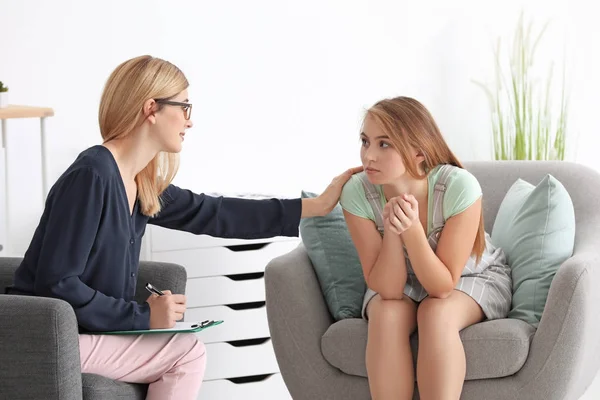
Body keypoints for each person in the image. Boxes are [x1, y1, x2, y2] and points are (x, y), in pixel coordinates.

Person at [5, 55, 361, 400]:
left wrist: (313, 207)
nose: (189, 121)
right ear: (151, 109)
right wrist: (143, 316)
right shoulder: (92, 175)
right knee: (186, 352)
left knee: (184, 349)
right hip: (45, 339)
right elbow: (57, 283)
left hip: (84, 337)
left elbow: (214, 213)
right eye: (184, 108)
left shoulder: (140, 181)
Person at [339, 96, 512, 400]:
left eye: (384, 144)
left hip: (470, 278)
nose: (369, 156)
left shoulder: (460, 187)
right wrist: (394, 233)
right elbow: (389, 289)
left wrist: (412, 230)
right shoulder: (356, 193)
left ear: (418, 151)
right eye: (365, 141)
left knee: (435, 313)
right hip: (401, 282)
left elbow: (442, 286)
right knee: (385, 314)